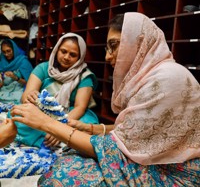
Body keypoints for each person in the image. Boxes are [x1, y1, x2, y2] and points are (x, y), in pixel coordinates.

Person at [11, 12, 200, 186]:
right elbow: (139, 131)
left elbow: (83, 111)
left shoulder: (165, 79)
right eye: (63, 52)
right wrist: (91, 129)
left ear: (139, 43)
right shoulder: (44, 68)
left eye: (114, 46)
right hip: (154, 158)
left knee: (64, 177)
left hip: (173, 170)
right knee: (67, 159)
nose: (108, 56)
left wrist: (48, 124)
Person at [15, 32, 99, 148]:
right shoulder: (43, 68)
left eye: (73, 55)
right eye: (63, 51)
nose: (66, 57)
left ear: (80, 58)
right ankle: (60, 142)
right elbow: (26, 96)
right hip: (43, 111)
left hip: (70, 115)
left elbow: (80, 107)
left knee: (86, 129)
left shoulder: (85, 76)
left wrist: (59, 127)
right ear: (56, 50)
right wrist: (30, 96)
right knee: (17, 119)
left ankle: (56, 139)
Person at [0, 39, 33, 105]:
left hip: (18, 92)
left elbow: (30, 83)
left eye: (8, 51)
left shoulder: (23, 62)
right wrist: (1, 79)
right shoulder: (2, 63)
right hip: (3, 92)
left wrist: (15, 77)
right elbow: (2, 84)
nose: (6, 54)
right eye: (4, 52)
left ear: (14, 49)